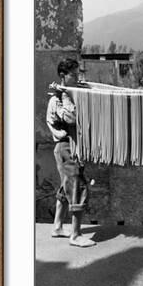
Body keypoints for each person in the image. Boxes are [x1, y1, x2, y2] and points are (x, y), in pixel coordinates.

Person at [46, 58, 95, 247]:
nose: (77, 78)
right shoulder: (57, 99)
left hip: (69, 147)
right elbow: (71, 118)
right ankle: (76, 235)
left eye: (78, 74)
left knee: (66, 186)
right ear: (62, 76)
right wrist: (64, 95)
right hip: (65, 146)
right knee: (77, 187)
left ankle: (58, 226)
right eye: (73, 75)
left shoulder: (66, 94)